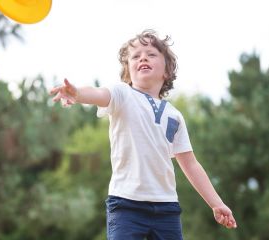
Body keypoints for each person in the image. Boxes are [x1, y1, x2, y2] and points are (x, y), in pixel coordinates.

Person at [50, 29, 237, 240]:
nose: (143, 58)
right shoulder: (122, 95)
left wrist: (216, 203)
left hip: (166, 208)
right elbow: (99, 94)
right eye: (135, 56)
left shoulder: (175, 116)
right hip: (126, 205)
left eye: (151, 54)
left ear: (166, 71)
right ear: (129, 71)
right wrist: (77, 93)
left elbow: (191, 164)